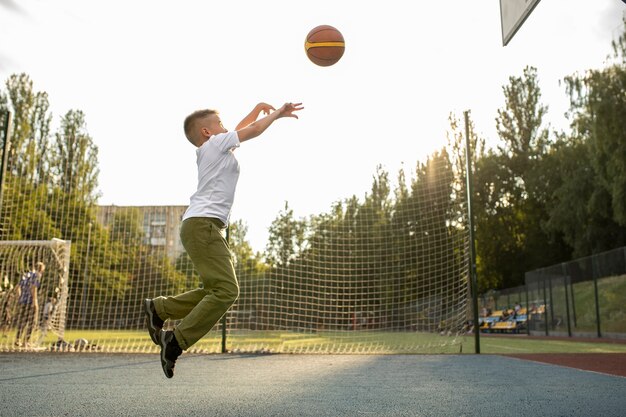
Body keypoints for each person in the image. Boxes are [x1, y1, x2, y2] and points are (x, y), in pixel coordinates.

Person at [144, 101, 303, 378]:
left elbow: (243, 128)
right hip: (203, 226)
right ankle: (176, 341)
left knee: (214, 291)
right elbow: (251, 131)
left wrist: (256, 108)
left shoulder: (214, 147)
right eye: (220, 123)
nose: (225, 127)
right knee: (227, 290)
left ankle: (160, 308)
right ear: (207, 132)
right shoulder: (216, 144)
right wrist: (276, 115)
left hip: (201, 226)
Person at [15, 262, 44, 347]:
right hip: (30, 302)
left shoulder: (26, 275)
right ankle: (26, 341)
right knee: (32, 321)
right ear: (40, 269)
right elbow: (33, 287)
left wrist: (20, 297)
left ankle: (17, 339)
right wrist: (35, 301)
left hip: (22, 301)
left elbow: (17, 287)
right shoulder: (37, 275)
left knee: (22, 321)